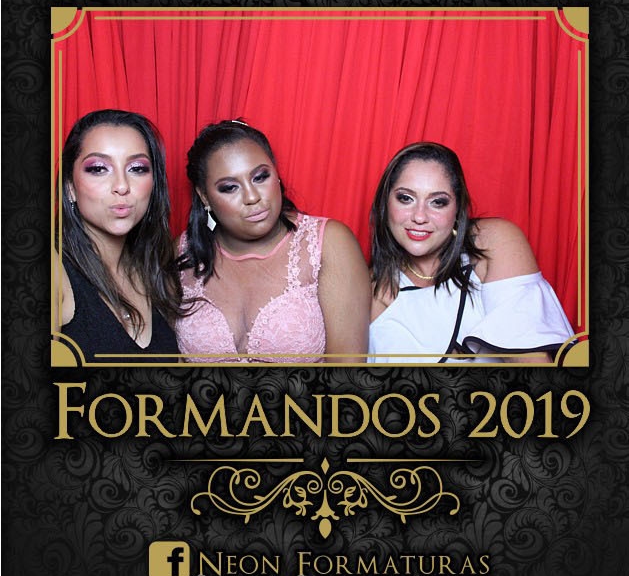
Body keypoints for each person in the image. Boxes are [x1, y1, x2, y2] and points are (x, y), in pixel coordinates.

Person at [176, 119, 371, 363]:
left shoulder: (329, 243)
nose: (252, 197)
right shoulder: (183, 253)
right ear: (204, 196)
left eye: (260, 177)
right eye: (229, 187)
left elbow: (347, 371)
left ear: (276, 174)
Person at [368, 143, 574, 363]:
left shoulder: (492, 243)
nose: (419, 216)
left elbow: (533, 363)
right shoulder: (369, 291)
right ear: (385, 203)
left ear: (457, 209)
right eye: (406, 198)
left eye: (438, 202)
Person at [55, 109, 182, 357]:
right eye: (98, 169)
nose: (122, 186)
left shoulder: (157, 271)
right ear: (70, 186)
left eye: (137, 168)